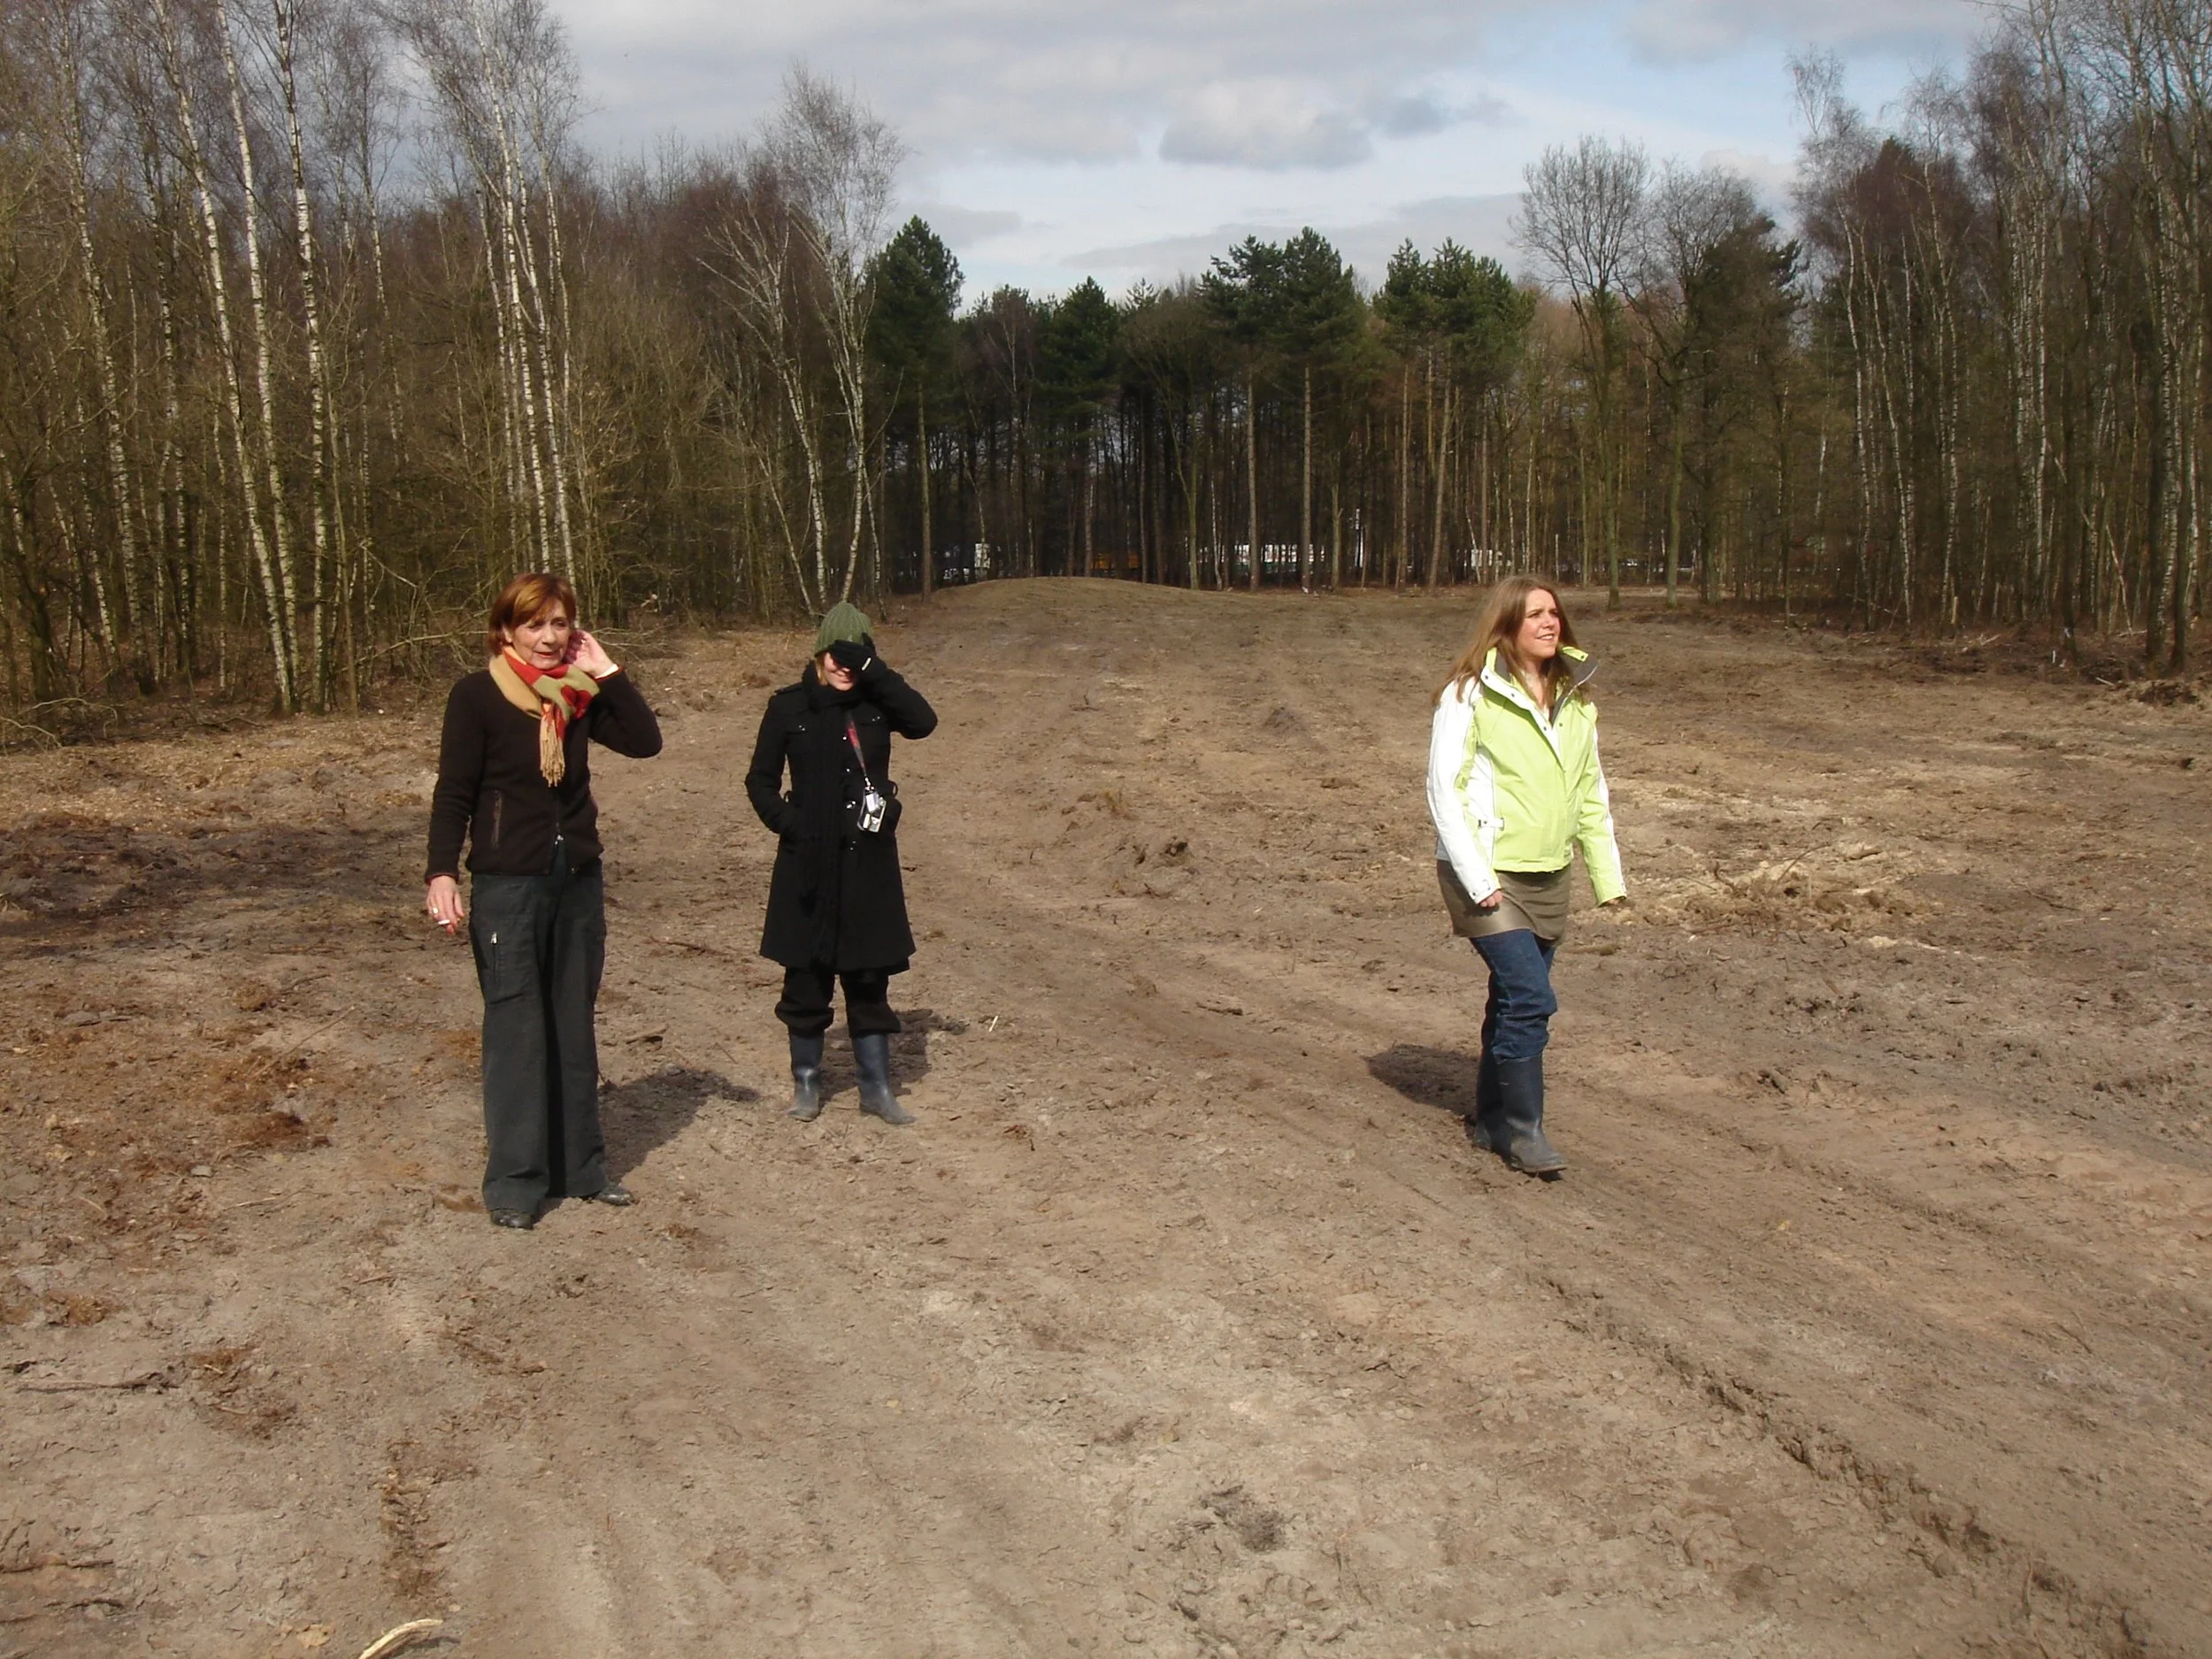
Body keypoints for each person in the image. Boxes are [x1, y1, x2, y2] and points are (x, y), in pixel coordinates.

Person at [425, 572, 664, 1228]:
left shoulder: (578, 696)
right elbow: (454, 791)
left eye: (561, 623)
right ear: (506, 630)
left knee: (572, 1024)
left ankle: (581, 1169)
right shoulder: (476, 697)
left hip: (576, 878)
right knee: (516, 1031)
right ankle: (515, 1184)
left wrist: (607, 671)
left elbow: (646, 741)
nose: (549, 637)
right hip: (508, 887)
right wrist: (441, 872)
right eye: (535, 624)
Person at [1426, 575, 1625, 1177]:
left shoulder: (1575, 697)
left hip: (1549, 873)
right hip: (1485, 872)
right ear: (1507, 624)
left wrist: (1606, 876)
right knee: (1533, 997)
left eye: (1554, 613)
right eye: (1535, 613)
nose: (1550, 622)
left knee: (1511, 996)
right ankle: (1523, 1130)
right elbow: (1444, 789)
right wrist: (1477, 876)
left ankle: (1491, 1120)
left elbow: (1589, 790)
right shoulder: (1468, 693)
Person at [746, 603, 938, 1125]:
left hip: (867, 863)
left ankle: (876, 1088)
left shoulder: (878, 704)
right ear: (819, 655)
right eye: (837, 655)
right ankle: (807, 1083)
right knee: (806, 981)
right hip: (807, 862)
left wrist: (877, 671)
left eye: (856, 658)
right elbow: (759, 780)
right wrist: (792, 825)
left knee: (869, 980)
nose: (845, 667)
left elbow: (924, 722)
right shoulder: (788, 708)